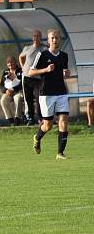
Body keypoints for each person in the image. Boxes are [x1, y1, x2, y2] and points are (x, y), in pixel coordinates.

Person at [29, 29, 72, 159]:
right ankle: (37, 138)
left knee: (63, 121)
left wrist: (66, 73)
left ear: (60, 40)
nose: (54, 40)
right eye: (52, 38)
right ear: (48, 40)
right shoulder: (42, 55)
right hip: (46, 94)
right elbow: (31, 72)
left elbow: (64, 70)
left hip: (61, 92)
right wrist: (46, 69)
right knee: (47, 125)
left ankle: (60, 153)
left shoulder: (64, 56)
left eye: (57, 38)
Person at [19, 30, 45, 125]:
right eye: (34, 36)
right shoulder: (27, 48)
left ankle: (40, 117)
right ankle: (30, 117)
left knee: (39, 98)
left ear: (41, 37)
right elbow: (21, 57)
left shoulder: (44, 48)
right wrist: (23, 67)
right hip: (26, 76)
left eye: (38, 36)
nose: (36, 38)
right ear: (32, 37)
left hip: (38, 77)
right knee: (28, 99)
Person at [0, 56, 24, 125]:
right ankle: (10, 120)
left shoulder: (21, 71)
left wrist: (13, 89)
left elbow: (23, 83)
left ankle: (17, 118)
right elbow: (1, 85)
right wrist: (6, 90)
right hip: (7, 92)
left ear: (16, 63)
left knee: (18, 98)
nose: (10, 64)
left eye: (12, 62)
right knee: (3, 101)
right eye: (8, 63)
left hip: (18, 91)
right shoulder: (5, 72)